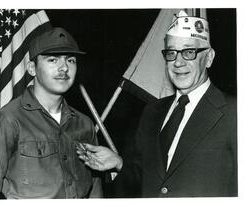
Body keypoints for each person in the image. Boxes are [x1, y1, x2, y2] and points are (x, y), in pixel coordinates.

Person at [77, 11, 237, 197]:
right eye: (171, 52)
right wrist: (119, 163)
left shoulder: (234, 113)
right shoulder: (153, 111)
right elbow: (145, 177)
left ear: (209, 57)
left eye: (189, 52)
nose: (178, 62)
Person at [0, 27, 103, 199]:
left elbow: (95, 191)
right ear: (31, 68)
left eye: (71, 60)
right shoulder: (9, 119)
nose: (64, 68)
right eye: (53, 60)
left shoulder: (84, 123)